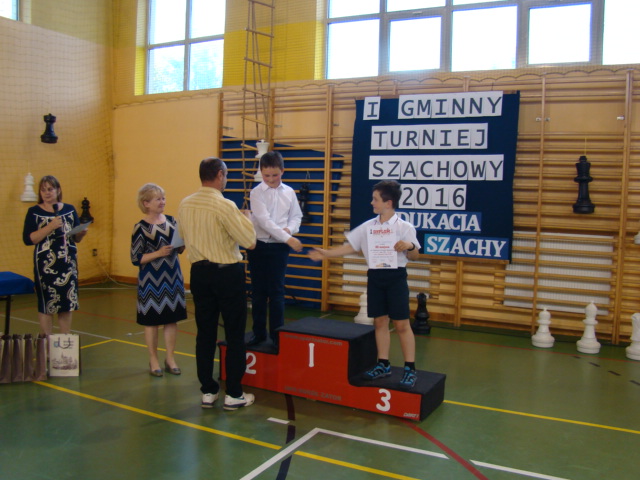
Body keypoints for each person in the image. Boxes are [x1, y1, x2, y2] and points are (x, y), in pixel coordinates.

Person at [308, 180, 421, 388]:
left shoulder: (404, 227)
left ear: (388, 203)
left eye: (375, 199)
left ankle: (410, 368)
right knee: (379, 322)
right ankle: (383, 364)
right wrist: (327, 254)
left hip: (396, 278)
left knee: (401, 324)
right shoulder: (368, 227)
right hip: (376, 277)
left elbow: (415, 256)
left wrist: (409, 245)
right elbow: (351, 246)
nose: (372, 203)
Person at [178, 157, 257, 410]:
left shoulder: (185, 204)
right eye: (226, 175)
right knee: (234, 334)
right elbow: (250, 241)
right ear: (220, 175)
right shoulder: (225, 205)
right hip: (227, 274)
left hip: (198, 274)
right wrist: (246, 218)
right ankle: (233, 393)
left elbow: (184, 236)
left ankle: (208, 391)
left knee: (205, 333)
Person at [246, 151, 303, 348]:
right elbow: (264, 221)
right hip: (259, 245)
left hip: (279, 247)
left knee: (277, 291)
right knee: (259, 292)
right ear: (261, 172)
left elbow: (296, 216)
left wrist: (290, 230)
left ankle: (277, 335)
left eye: (275, 175)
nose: (270, 179)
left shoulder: (289, 192)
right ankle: (259, 333)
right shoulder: (256, 193)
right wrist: (288, 238)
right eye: (266, 175)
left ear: (282, 171)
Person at [130, 183, 187, 377]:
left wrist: (183, 243)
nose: (162, 202)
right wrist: (158, 253)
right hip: (151, 281)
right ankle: (153, 359)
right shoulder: (140, 227)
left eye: (163, 198)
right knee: (152, 321)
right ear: (146, 203)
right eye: (158, 199)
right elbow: (136, 258)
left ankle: (170, 358)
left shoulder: (172, 221)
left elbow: (179, 248)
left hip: (173, 276)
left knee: (171, 320)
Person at [22, 175, 88, 336]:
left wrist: (81, 233)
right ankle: (46, 341)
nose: (46, 193)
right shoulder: (34, 212)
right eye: (43, 190)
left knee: (66, 303)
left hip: (67, 262)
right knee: (47, 303)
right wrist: (50, 226)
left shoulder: (69, 209)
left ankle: (64, 341)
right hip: (45, 265)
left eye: (50, 189)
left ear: (58, 190)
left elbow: (75, 238)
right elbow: (29, 239)